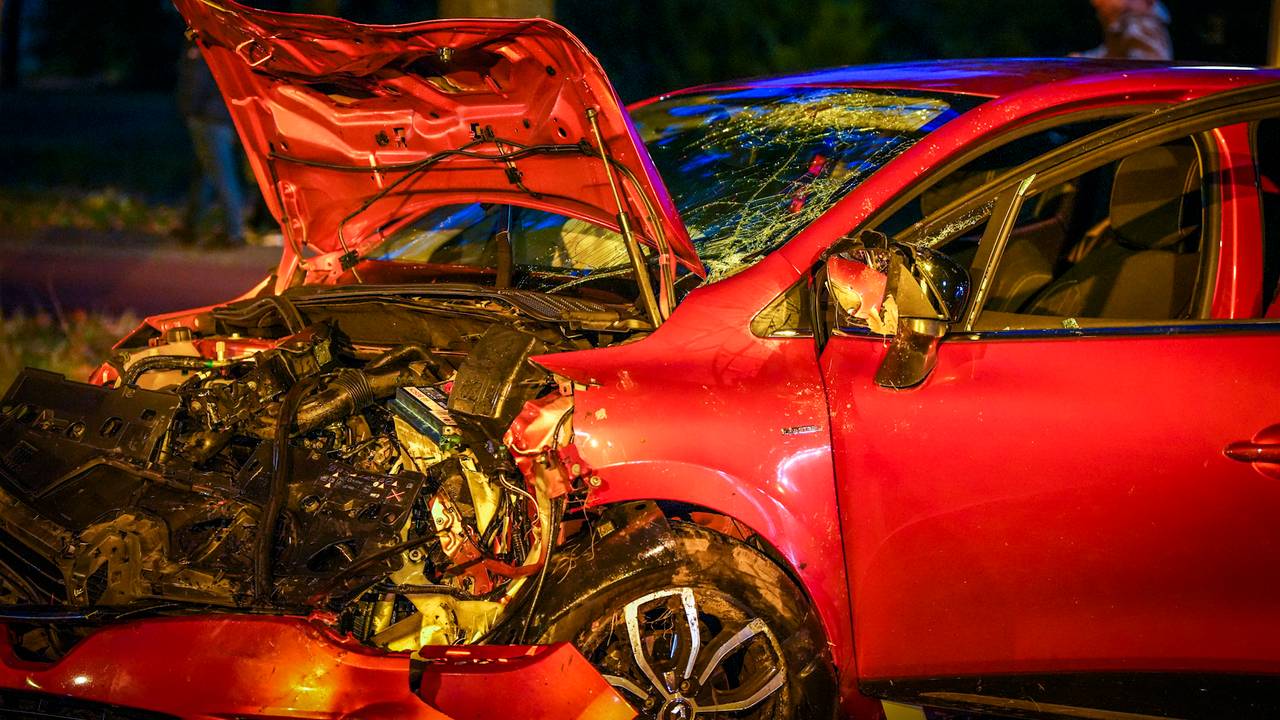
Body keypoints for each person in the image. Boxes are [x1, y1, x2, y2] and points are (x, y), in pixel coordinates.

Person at [177, 41, 247, 247]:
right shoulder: (227, 46)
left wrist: (188, 109)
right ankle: (190, 224)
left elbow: (195, 84)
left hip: (209, 119)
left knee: (221, 175)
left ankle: (234, 232)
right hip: (222, 117)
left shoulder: (204, 47)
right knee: (206, 174)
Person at [1079, 0, 1173, 60]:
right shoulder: (1122, 25)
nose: (1096, 2)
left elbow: (1148, 70)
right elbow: (1112, 53)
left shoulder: (1141, 25)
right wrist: (1084, 59)